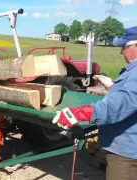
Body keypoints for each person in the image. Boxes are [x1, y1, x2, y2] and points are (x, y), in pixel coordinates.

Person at [52, 26, 137, 180]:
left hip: (127, 153)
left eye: (124, 47)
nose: (121, 51)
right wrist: (112, 87)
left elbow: (123, 104)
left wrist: (80, 113)